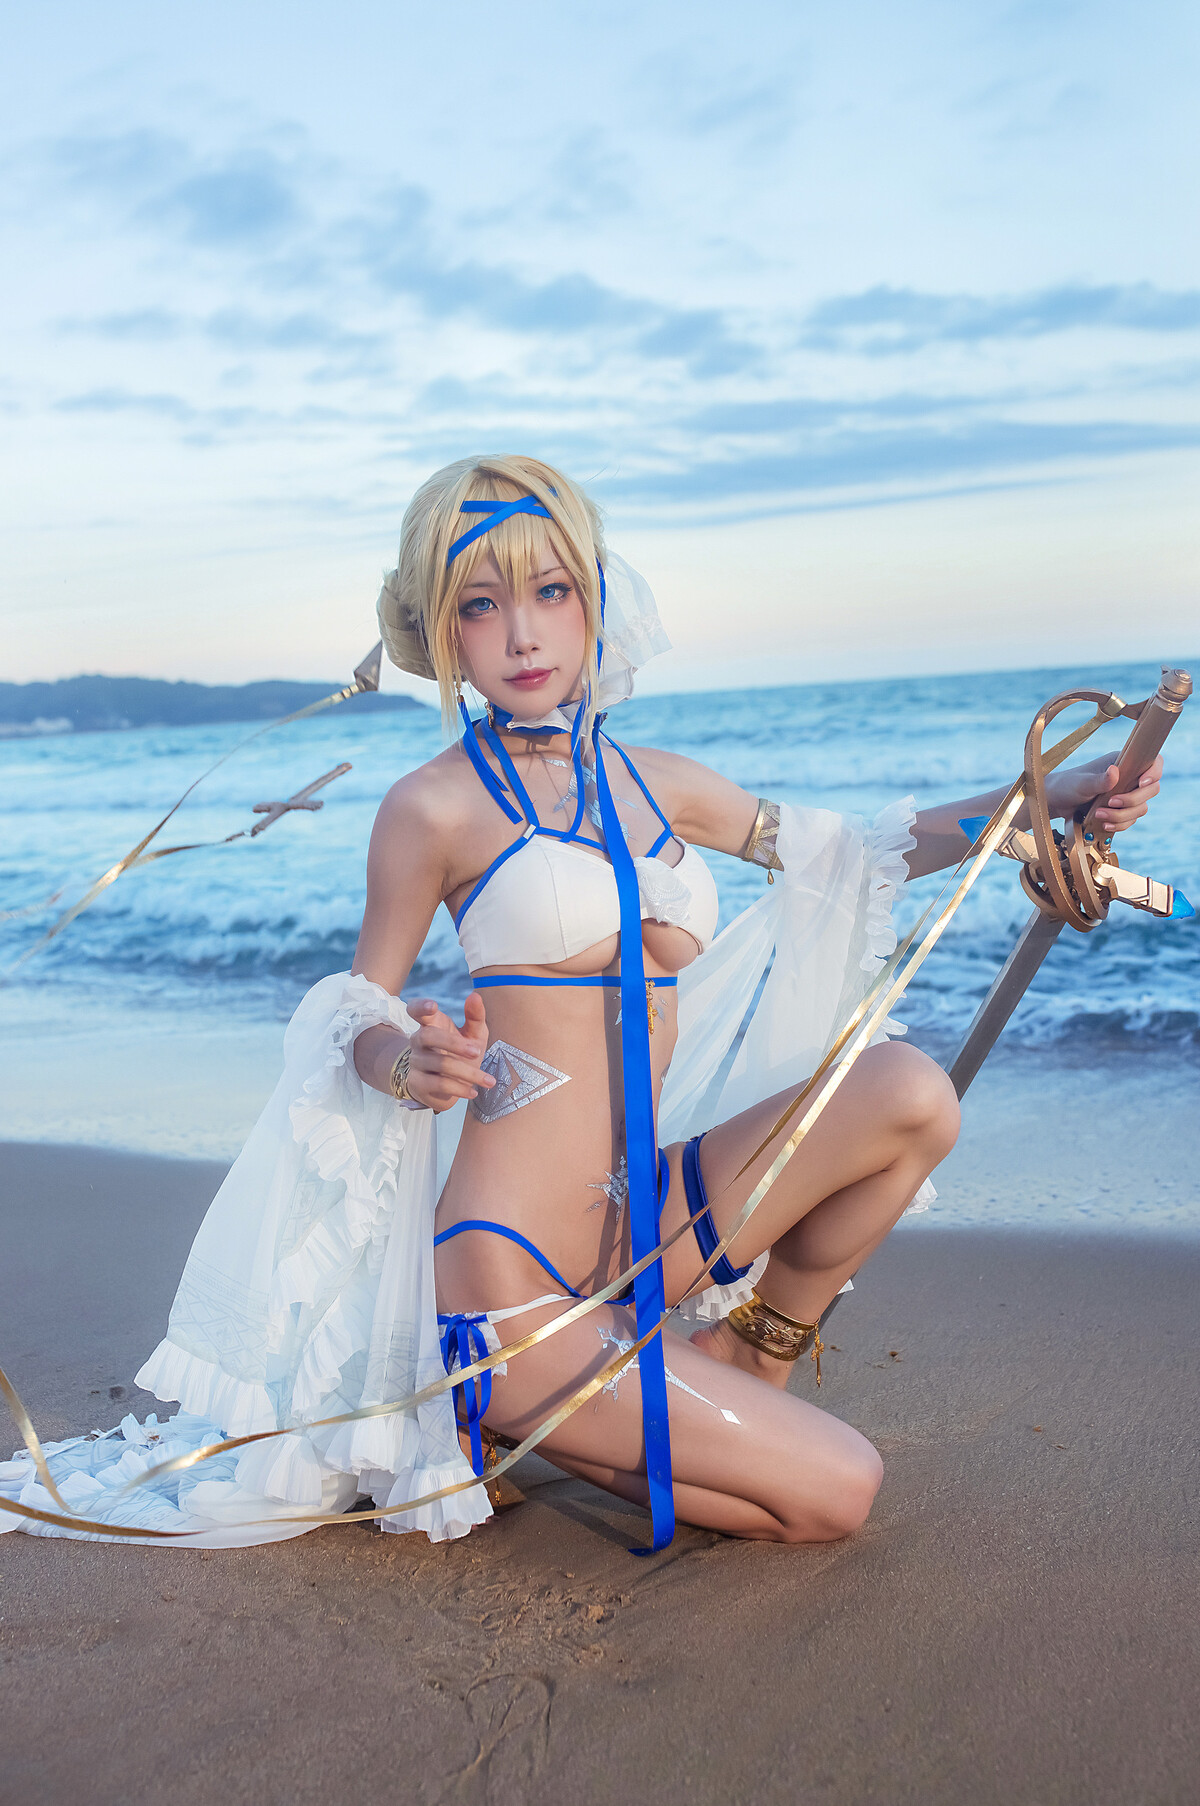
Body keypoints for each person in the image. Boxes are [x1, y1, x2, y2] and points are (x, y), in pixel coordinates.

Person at [0, 454, 1162, 1550]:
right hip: (508, 1282)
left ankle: (745, 1363)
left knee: (909, 1093)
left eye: (549, 592)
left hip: (645, 1232)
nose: (521, 633)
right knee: (840, 1493)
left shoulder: (659, 783)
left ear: (594, 602)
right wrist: (403, 1060)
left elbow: (860, 849)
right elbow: (353, 1005)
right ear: (443, 634)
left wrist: (1055, 793)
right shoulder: (432, 807)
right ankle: (514, 1411)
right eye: (480, 606)